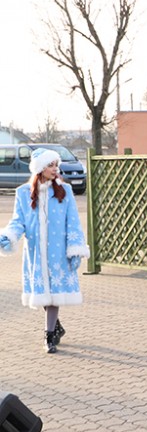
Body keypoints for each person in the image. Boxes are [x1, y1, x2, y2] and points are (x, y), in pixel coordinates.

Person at [0, 148, 90, 353]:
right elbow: (18, 221)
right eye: (51, 165)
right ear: (40, 168)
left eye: (56, 165)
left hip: (58, 253)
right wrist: (9, 236)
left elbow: (73, 222)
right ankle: (56, 327)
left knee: (54, 294)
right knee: (43, 292)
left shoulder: (64, 191)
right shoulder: (23, 192)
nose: (55, 169)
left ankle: (49, 335)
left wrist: (75, 248)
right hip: (35, 253)